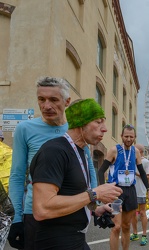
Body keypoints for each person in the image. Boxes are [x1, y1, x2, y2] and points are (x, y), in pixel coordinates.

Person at [8, 77, 98, 250]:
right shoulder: (24, 129)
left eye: (54, 100)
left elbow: (89, 169)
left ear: (67, 102)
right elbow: (18, 175)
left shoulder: (77, 128)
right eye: (41, 99)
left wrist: (95, 205)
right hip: (35, 214)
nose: (46, 106)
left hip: (71, 211)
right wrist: (16, 218)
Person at [30, 98, 123, 249]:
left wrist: (95, 209)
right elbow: (42, 209)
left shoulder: (81, 152)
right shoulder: (54, 151)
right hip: (56, 243)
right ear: (81, 122)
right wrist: (94, 194)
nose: (105, 128)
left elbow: (72, 194)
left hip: (77, 239)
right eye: (98, 122)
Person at [98, 124, 149, 250]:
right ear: (121, 136)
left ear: (135, 137)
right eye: (126, 136)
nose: (128, 139)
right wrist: (103, 189)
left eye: (131, 137)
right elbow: (101, 171)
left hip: (130, 191)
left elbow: (142, 173)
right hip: (116, 191)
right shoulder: (114, 150)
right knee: (116, 227)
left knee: (126, 226)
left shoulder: (136, 152)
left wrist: (148, 189)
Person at [130, 143, 149, 246]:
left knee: (142, 213)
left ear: (140, 152)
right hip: (131, 191)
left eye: (135, 150)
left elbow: (147, 177)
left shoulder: (146, 162)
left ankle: (144, 235)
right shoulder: (131, 161)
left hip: (141, 191)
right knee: (133, 213)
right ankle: (135, 233)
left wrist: (136, 173)